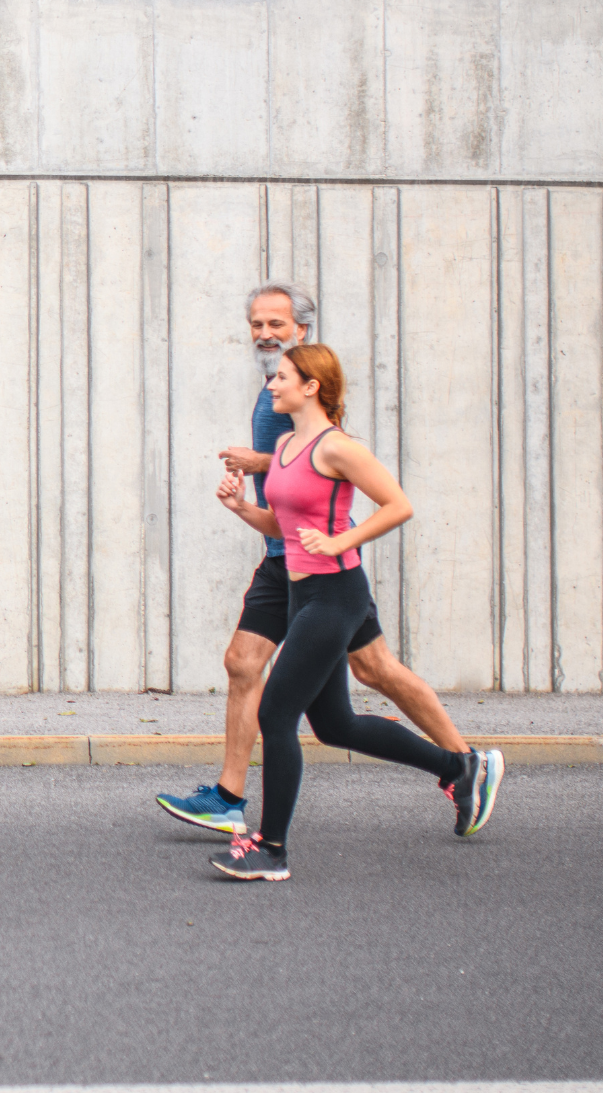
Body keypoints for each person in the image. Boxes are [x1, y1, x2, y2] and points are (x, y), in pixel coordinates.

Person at [158, 283, 484, 838]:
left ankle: (461, 763)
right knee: (265, 676)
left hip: (323, 575)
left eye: (276, 325)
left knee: (359, 678)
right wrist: (245, 502)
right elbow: (289, 469)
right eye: (256, 324)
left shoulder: (307, 402)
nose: (264, 334)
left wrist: (265, 468)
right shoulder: (275, 390)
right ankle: (231, 796)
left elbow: (333, 469)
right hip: (284, 557)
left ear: (301, 331)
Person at [207, 343, 504, 881]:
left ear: (311, 386)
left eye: (283, 378)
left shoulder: (337, 447)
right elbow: (283, 526)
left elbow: (398, 505)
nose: (272, 385)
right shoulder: (289, 444)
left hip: (335, 595)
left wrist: (340, 539)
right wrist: (243, 509)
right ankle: (458, 767)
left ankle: (271, 849)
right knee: (335, 725)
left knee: (276, 713)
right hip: (302, 594)